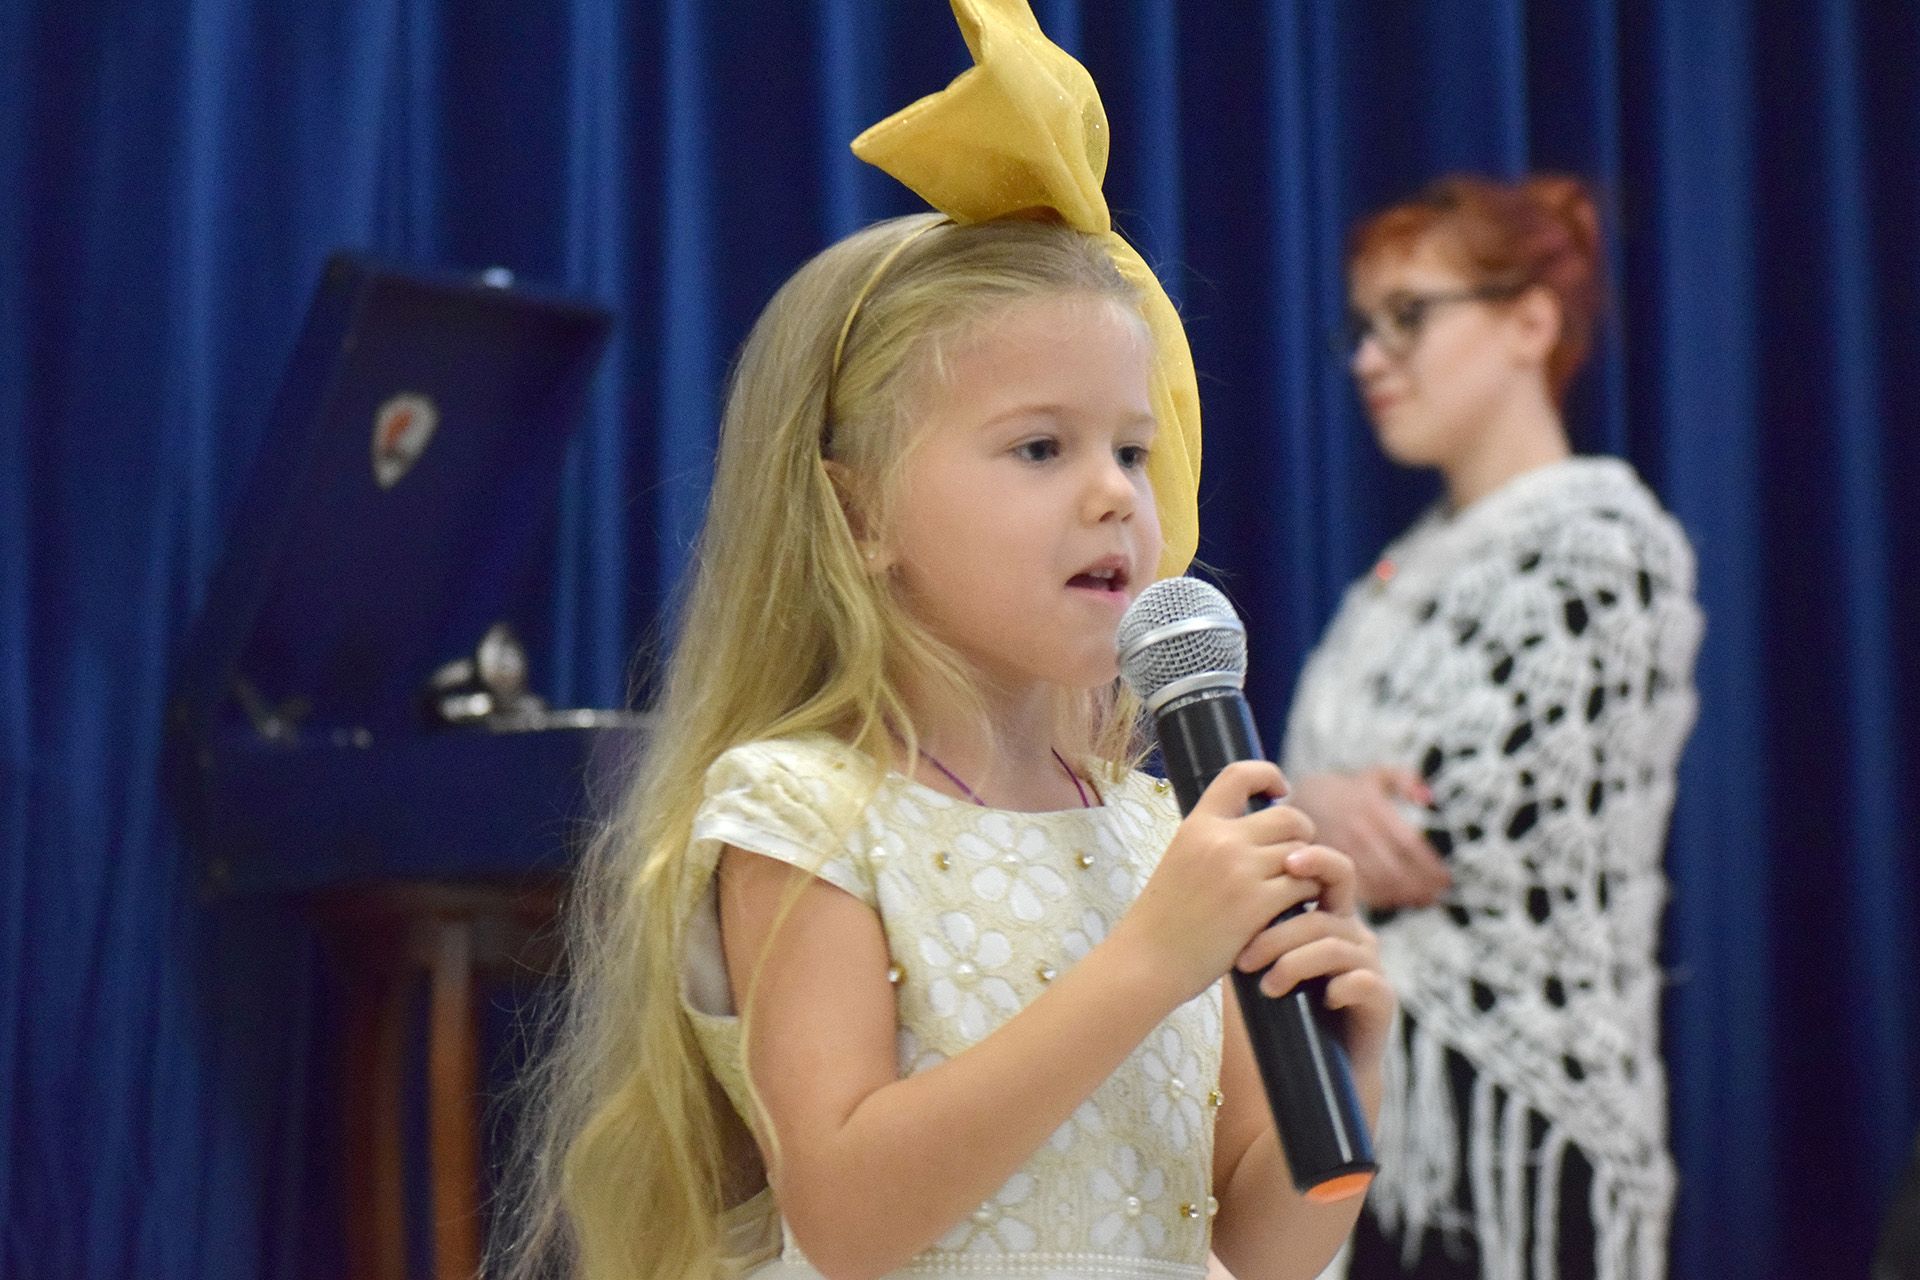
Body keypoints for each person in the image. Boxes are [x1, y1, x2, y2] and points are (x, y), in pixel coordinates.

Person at [493, 5, 1395, 1279]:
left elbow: (1253, 1252)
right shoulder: (807, 814)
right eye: (1041, 446)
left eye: (1133, 448)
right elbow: (851, 1214)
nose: (1114, 494)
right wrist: (1150, 958)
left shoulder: (1161, 831)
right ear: (859, 512)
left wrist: (1350, 1072)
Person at [1281, 175, 1703, 1280]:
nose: (1372, 357)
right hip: (1365, 1096)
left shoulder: (1601, 541)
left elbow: (1442, 833)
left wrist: (1309, 813)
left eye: (1408, 315)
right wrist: (1316, 804)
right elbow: (1321, 816)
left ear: (1530, 322)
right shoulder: (1396, 574)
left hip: (1516, 1119)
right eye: (1362, 327)